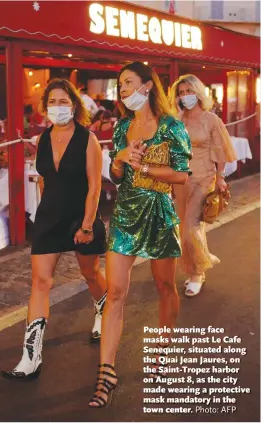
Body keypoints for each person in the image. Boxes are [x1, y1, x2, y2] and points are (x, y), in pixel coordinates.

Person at [88, 61, 192, 408]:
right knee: (116, 292)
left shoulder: (171, 127)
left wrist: (143, 165)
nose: (123, 90)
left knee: (165, 287)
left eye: (128, 83)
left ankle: (163, 350)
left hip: (159, 215)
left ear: (148, 86)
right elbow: (116, 178)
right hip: (125, 216)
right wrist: (118, 160)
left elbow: (181, 176)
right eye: (120, 85)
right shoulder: (121, 128)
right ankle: (107, 373)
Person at [1, 79, 107, 380]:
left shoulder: (88, 139)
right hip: (50, 217)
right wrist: (45, 212)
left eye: (63, 101)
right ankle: (30, 357)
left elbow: (95, 185)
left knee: (89, 273)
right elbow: (45, 178)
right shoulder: (42, 138)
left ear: (74, 105)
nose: (57, 107)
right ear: (45, 107)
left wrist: (87, 224)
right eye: (52, 102)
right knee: (40, 282)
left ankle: (102, 308)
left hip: (80, 215)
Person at [168, 74, 237, 297]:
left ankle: (198, 273)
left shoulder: (211, 120)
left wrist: (220, 176)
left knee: (190, 229)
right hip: (181, 181)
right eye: (181, 92)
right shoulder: (177, 120)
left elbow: (220, 149)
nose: (185, 96)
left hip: (204, 179)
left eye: (188, 91)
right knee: (183, 229)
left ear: (198, 92)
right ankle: (199, 259)